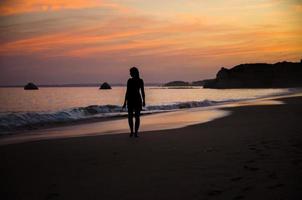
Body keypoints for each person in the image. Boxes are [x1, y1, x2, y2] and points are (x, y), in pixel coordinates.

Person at [122, 67, 145, 137]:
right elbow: (127, 91)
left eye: (131, 72)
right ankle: (132, 131)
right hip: (131, 100)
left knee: (137, 117)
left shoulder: (140, 81)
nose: (130, 73)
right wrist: (124, 102)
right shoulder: (129, 81)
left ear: (134, 72)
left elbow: (142, 91)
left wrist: (144, 101)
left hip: (137, 100)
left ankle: (136, 133)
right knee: (130, 117)